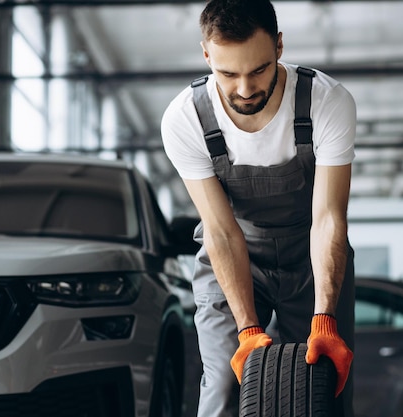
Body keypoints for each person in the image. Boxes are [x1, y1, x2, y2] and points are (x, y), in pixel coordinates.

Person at [161, 0, 356, 415]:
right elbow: (220, 230)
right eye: (228, 74)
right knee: (224, 384)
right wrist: (247, 328)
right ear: (206, 55)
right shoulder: (185, 118)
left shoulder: (325, 102)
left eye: (259, 70)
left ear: (280, 47)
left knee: (325, 385)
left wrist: (324, 318)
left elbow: (328, 219)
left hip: (310, 259)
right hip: (232, 254)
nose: (245, 89)